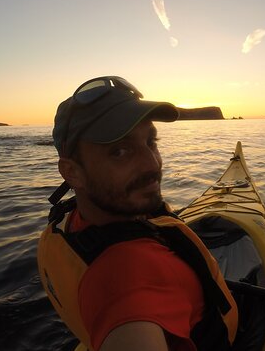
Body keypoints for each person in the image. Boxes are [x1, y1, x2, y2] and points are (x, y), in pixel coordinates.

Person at [37, 76, 238, 351]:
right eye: (119, 151)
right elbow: (130, 305)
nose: (152, 164)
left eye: (151, 142)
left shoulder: (67, 224)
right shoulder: (130, 279)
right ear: (72, 172)